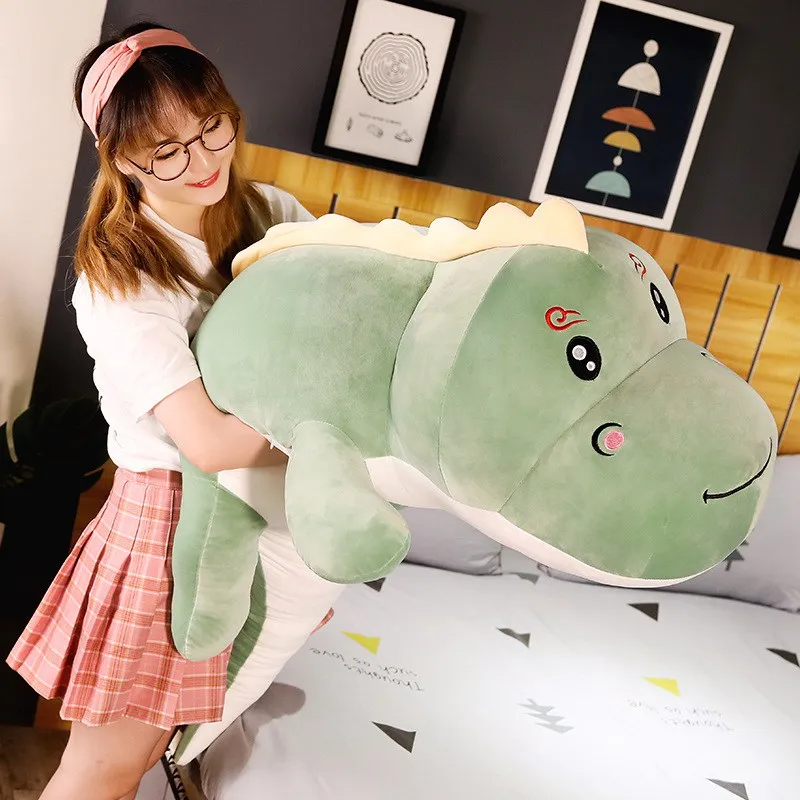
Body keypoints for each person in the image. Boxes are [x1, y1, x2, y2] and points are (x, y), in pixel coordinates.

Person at [6, 21, 331, 800]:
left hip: (247, 517)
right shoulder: (120, 273)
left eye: (212, 126)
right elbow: (208, 442)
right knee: (103, 770)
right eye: (167, 151)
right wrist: (334, 441)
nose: (203, 161)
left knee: (144, 760)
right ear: (121, 158)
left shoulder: (272, 212)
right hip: (168, 526)